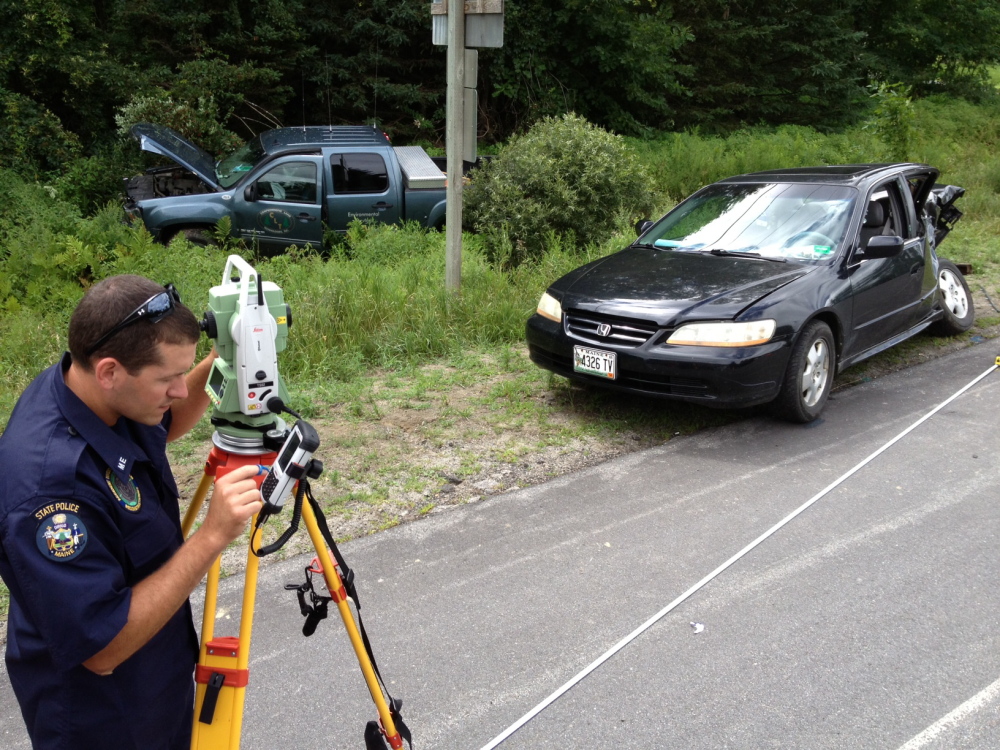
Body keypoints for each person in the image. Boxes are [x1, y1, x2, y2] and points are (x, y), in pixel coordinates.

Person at [0, 275, 264, 749]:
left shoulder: (89, 390)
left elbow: (166, 423)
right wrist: (211, 537)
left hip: (155, 677)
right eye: (168, 380)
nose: (180, 392)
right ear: (110, 371)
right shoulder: (49, 492)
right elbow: (103, 649)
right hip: (105, 715)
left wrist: (222, 359)